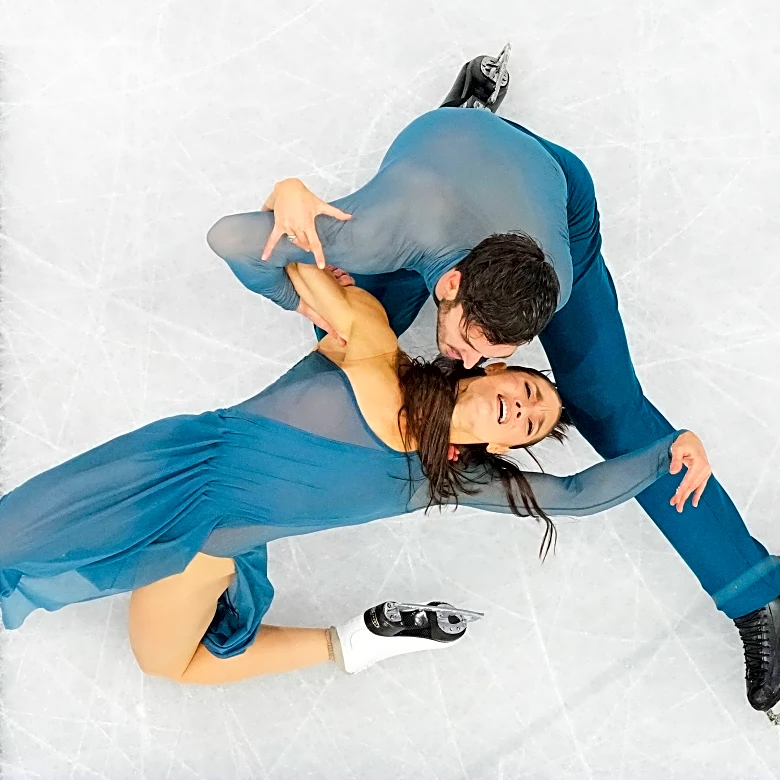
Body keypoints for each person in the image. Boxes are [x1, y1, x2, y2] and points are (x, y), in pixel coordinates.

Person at [206, 50, 780, 712]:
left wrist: (668, 448)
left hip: (551, 188)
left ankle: (754, 591)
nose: (471, 363)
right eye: (469, 344)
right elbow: (231, 238)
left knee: (608, 406)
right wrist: (298, 276)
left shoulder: (553, 280)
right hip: (431, 177)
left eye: (495, 354)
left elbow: (581, 465)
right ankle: (232, 559)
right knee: (341, 367)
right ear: (449, 285)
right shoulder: (380, 232)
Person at [0, 259, 709, 685]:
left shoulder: (451, 479)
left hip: (209, 549)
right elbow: (268, 259)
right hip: (169, 469)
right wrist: (302, 247)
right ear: (491, 370)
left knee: (167, 665)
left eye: (530, 423)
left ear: (507, 444)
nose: (523, 409)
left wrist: (668, 449)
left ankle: (354, 642)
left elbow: (577, 495)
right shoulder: (374, 351)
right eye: (527, 390)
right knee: (10, 540)